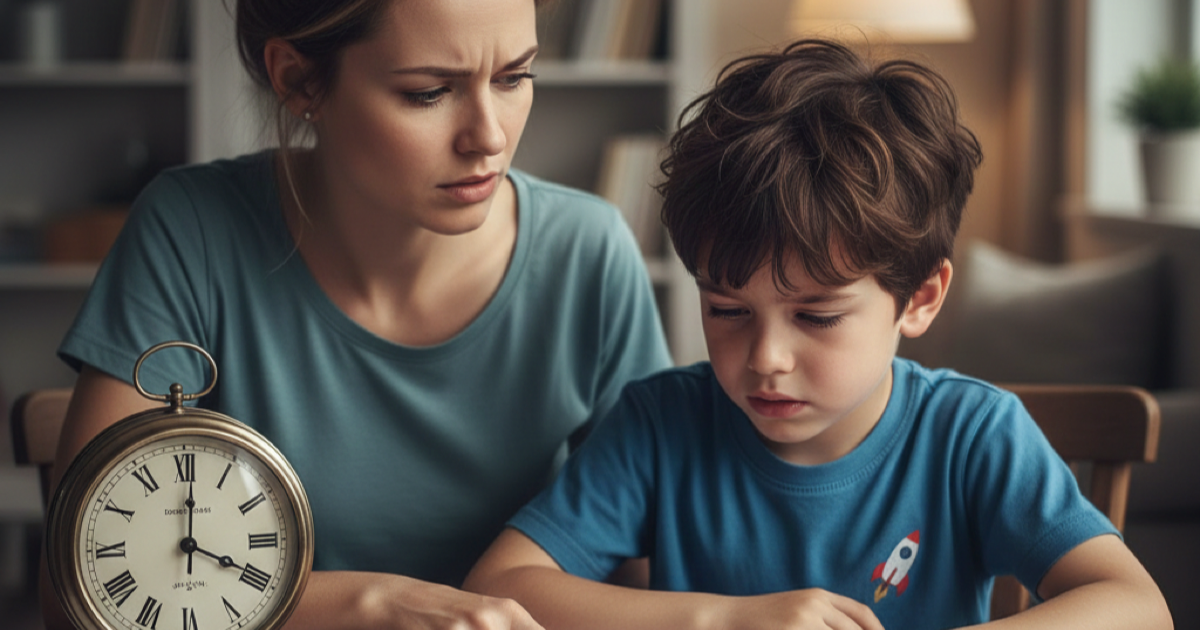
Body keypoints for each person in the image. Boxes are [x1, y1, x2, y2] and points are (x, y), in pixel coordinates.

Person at [463, 39, 1174, 630]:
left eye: (817, 316)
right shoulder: (661, 423)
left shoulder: (972, 434)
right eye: (727, 309)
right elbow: (503, 585)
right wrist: (726, 620)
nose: (765, 360)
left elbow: (1137, 606)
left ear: (920, 299)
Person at [40, 0, 672, 628]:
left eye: (513, 78)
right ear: (298, 79)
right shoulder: (191, 231)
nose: (490, 136)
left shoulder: (589, 252)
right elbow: (80, 590)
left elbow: (647, 574)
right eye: (428, 92)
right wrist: (373, 605)